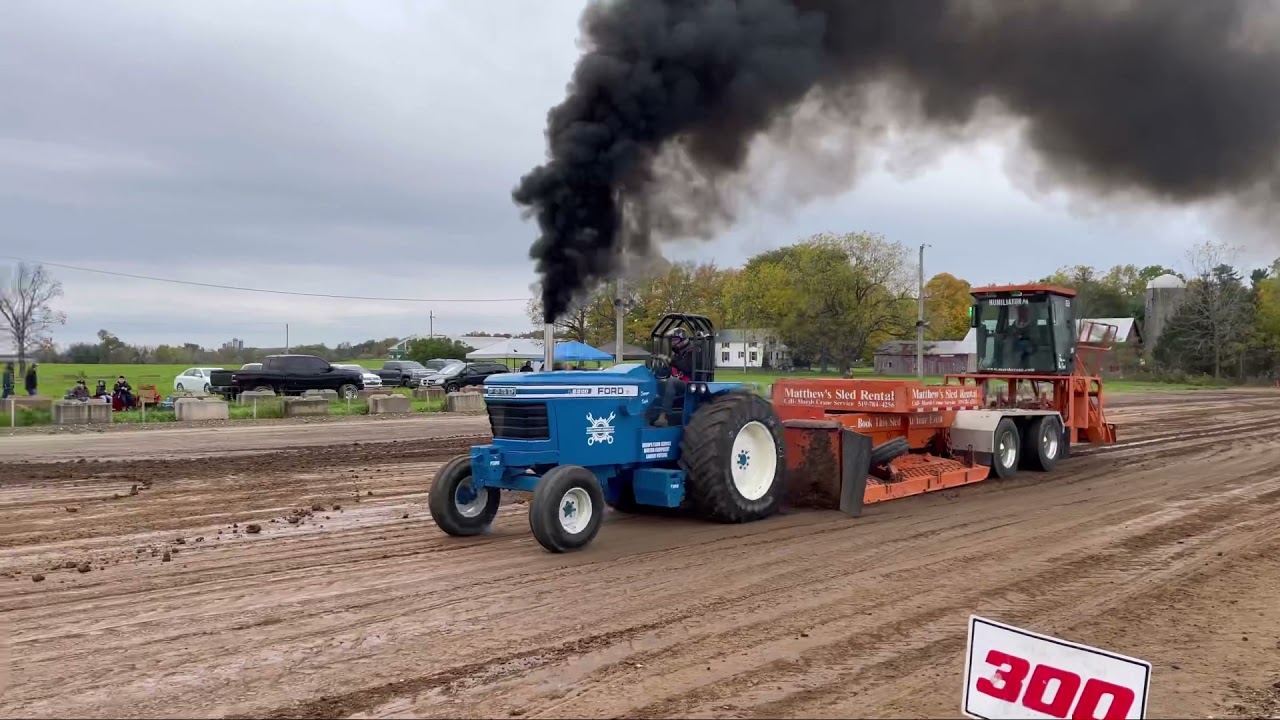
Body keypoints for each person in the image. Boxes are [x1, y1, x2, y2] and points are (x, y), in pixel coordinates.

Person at [654, 329, 696, 427]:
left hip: (689, 384)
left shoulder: (692, 352)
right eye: (672, 340)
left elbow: (687, 367)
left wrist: (670, 361)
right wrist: (661, 366)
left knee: (672, 382)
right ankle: (650, 411)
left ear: (683, 340)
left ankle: (663, 415)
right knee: (658, 381)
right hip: (677, 382)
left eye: (675, 340)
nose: (673, 342)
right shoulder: (676, 354)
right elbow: (671, 370)